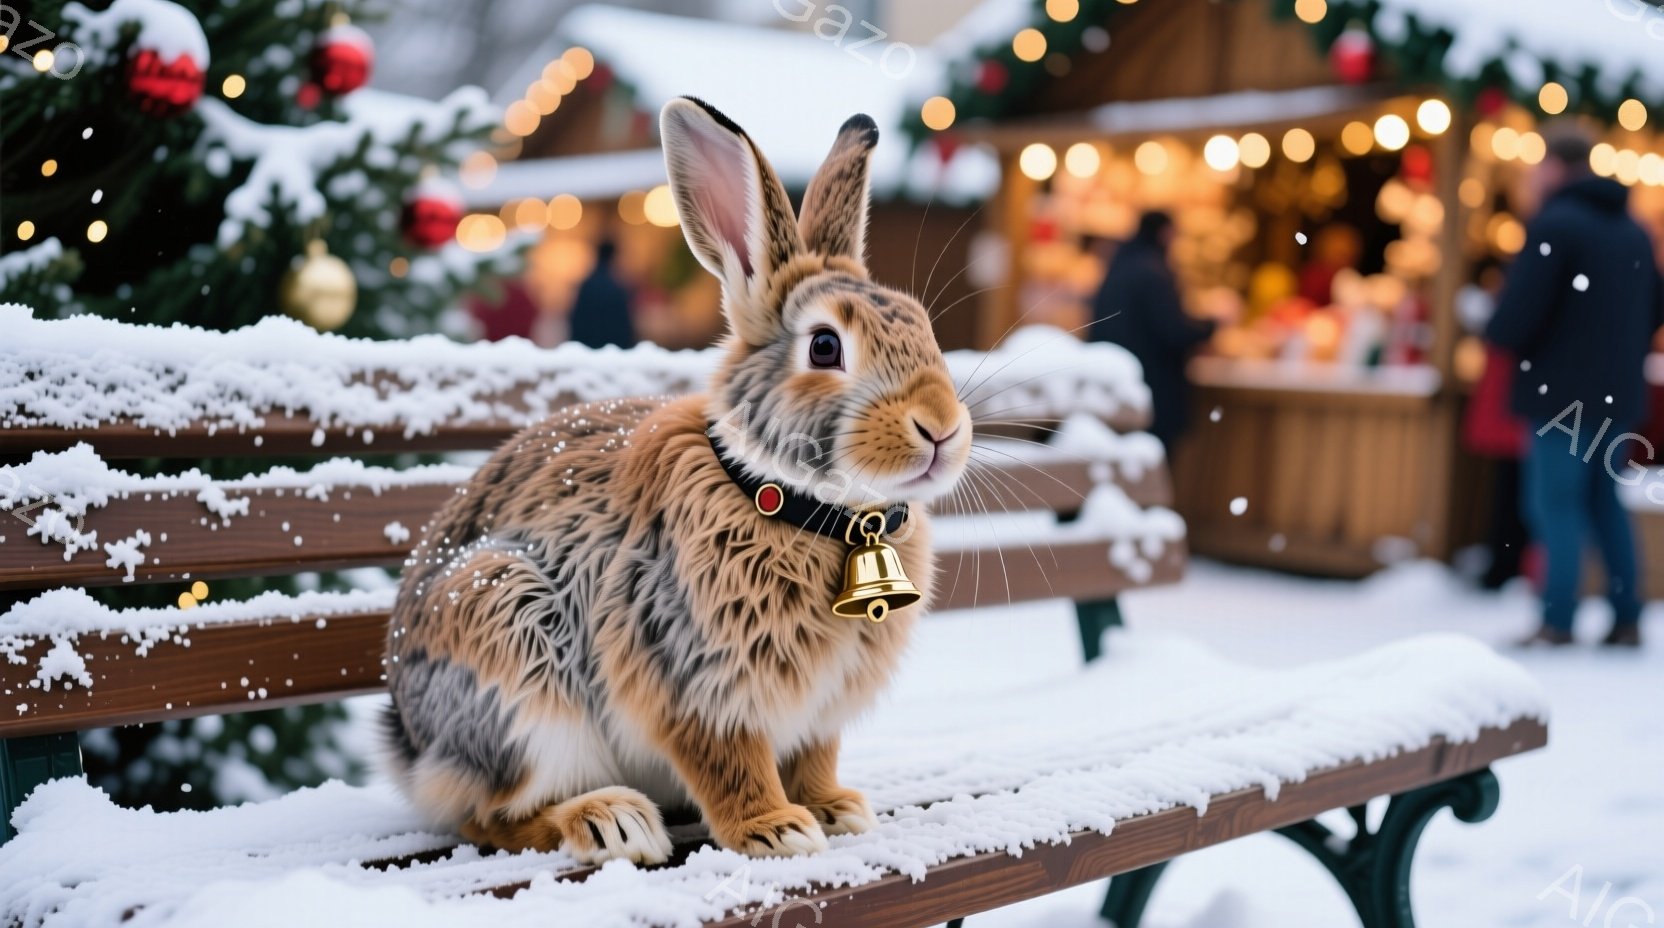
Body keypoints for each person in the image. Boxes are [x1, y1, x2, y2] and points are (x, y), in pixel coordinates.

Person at [1485, 126, 1664, 648]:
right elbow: (1656, 308)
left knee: (1555, 503)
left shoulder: (1555, 226)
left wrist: (1497, 326)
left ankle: (1556, 620)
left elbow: (1514, 319)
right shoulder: (1633, 230)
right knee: (1603, 501)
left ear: (1557, 167)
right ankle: (1625, 615)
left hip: (1558, 394)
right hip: (1618, 392)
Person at [1089, 211, 1216, 450]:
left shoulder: (1120, 264)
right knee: (1151, 457)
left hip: (1116, 385)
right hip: (1153, 388)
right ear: (1165, 233)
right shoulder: (1153, 272)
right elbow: (1174, 330)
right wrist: (1211, 326)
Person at [568, 239, 638, 349]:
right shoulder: (616, 287)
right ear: (613, 257)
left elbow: (576, 319)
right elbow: (623, 325)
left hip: (588, 347)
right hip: (609, 350)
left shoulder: (587, 284)